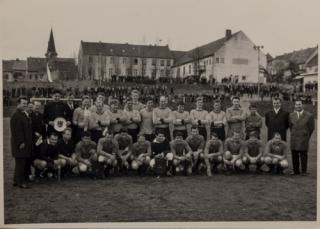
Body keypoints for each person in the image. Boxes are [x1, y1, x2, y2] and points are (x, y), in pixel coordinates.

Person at [10, 97, 34, 188]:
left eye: (26, 103)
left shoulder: (23, 114)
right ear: (18, 104)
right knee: (21, 163)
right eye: (23, 103)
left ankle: (16, 180)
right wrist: (21, 142)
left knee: (20, 162)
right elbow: (17, 131)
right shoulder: (16, 115)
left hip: (24, 143)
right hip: (20, 144)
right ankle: (21, 182)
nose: (25, 105)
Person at [289, 99, 315, 175]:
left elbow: (311, 128)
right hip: (294, 138)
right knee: (294, 155)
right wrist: (295, 134)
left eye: (299, 104)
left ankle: (304, 171)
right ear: (294, 105)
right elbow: (291, 127)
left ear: (302, 105)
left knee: (303, 155)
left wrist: (306, 135)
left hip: (303, 138)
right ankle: (295, 170)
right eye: (296, 104)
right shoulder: (291, 115)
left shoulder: (309, 115)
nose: (298, 106)